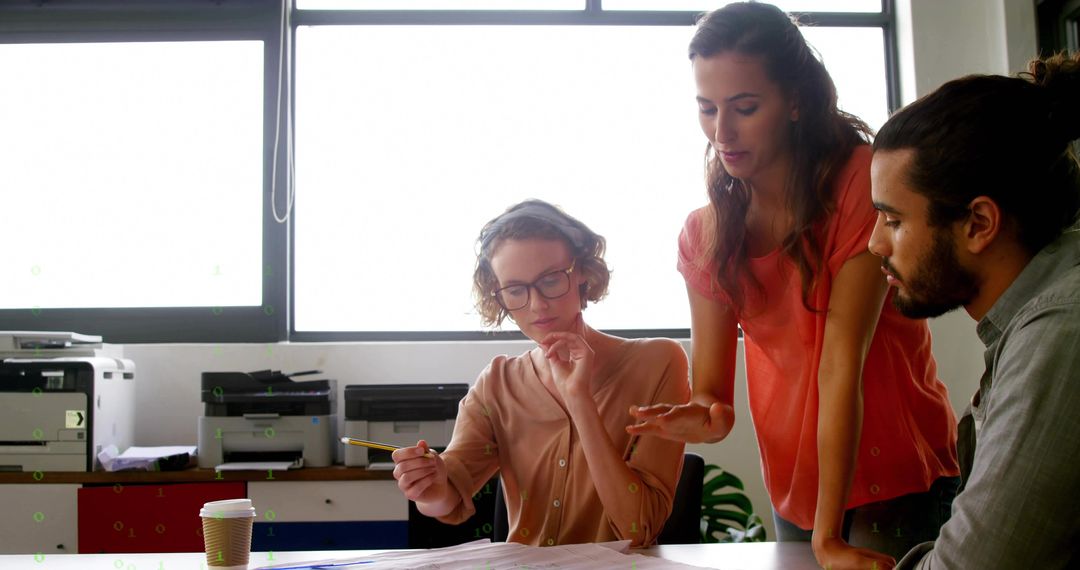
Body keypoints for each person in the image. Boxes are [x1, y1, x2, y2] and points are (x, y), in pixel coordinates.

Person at [627, 3, 959, 568]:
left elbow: (840, 363)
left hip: (893, 475)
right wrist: (698, 416)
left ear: (796, 101)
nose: (722, 132)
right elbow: (714, 399)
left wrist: (829, 537)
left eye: (745, 108)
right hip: (796, 487)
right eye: (706, 109)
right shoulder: (704, 233)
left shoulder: (861, 179)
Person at [868, 53, 1080, 569]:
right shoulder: (1040, 305)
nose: (875, 243)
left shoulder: (1060, 328)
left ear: (979, 223)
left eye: (893, 220)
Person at [390, 199, 691, 547]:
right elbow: (448, 495)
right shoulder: (497, 384)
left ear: (582, 273)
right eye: (515, 290)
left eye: (550, 280)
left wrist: (579, 401)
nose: (537, 305)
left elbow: (640, 527)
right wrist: (428, 485)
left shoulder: (658, 363)